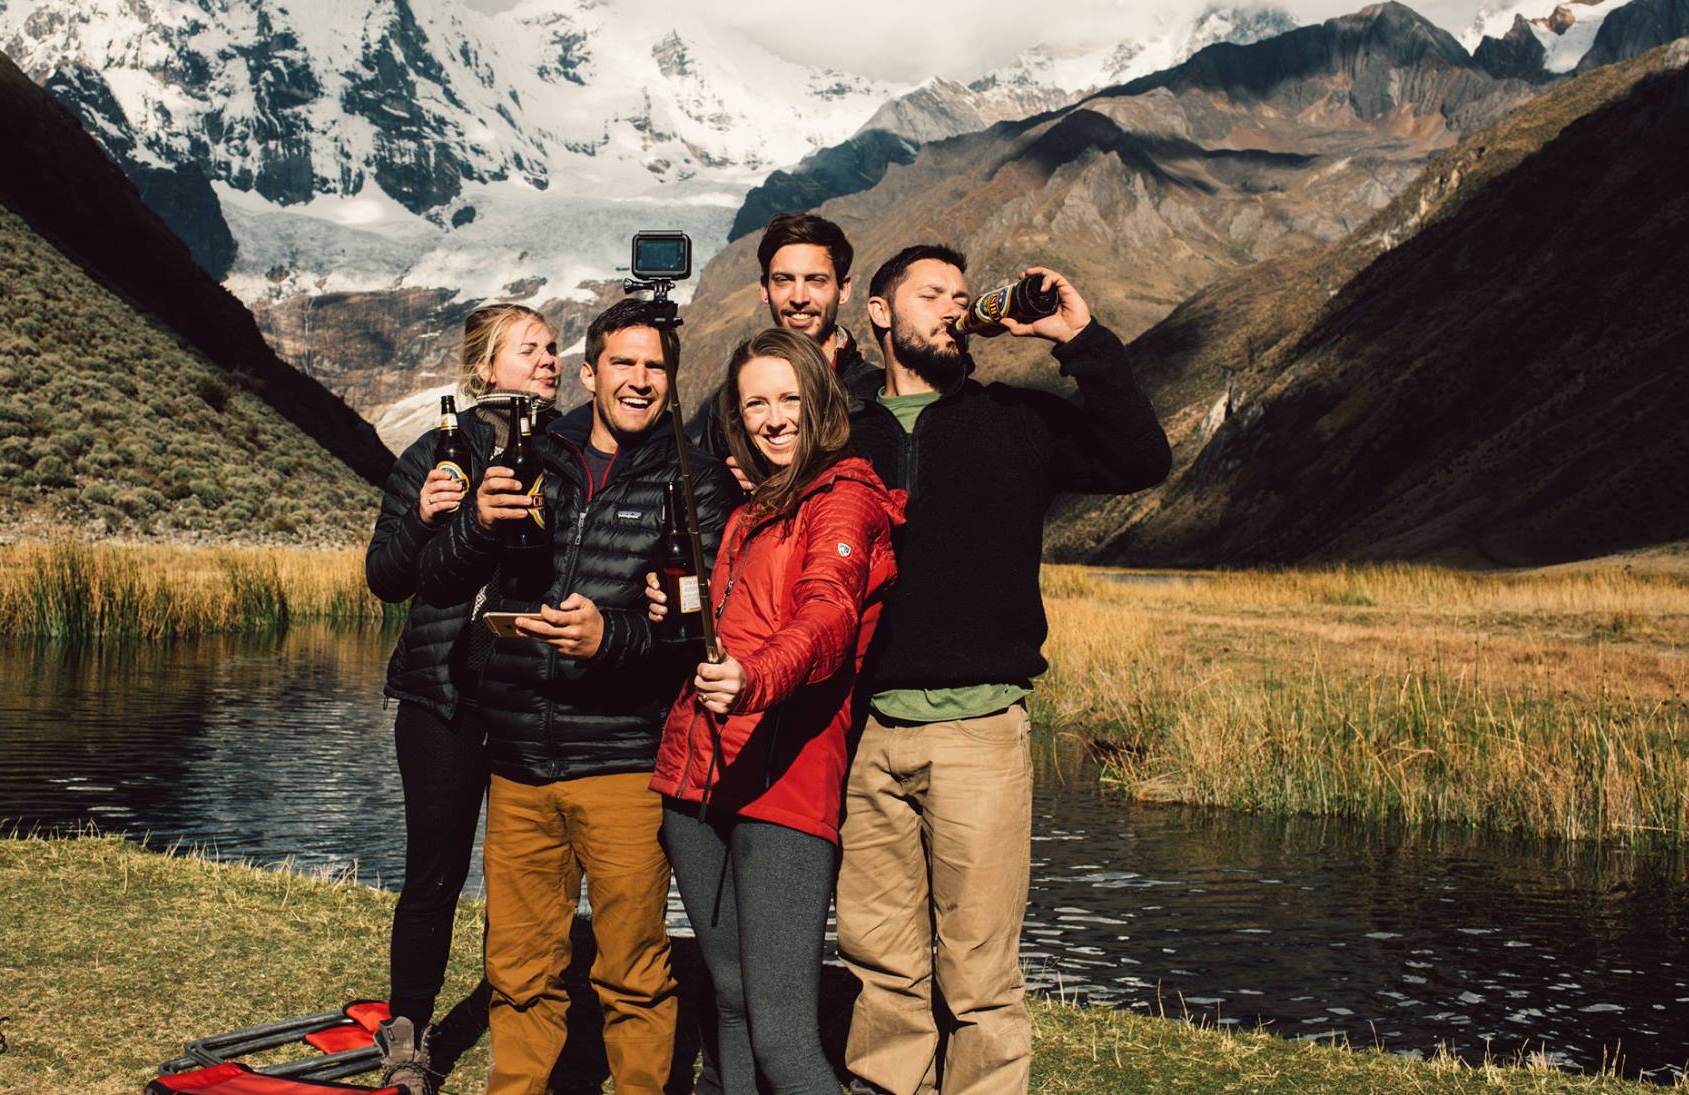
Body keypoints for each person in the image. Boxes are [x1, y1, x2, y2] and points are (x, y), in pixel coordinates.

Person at [836, 246, 1171, 1095]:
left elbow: (1141, 460)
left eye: (960, 294)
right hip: (864, 735)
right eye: (930, 293)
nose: (952, 307)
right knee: (881, 964)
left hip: (981, 732)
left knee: (980, 974)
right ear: (881, 313)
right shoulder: (840, 431)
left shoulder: (1018, 420)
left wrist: (1078, 337)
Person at [420, 298, 736, 1095]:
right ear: (589, 373)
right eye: (622, 363)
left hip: (623, 761)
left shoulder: (692, 477)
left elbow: (698, 627)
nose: (639, 380)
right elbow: (438, 579)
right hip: (519, 759)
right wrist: (474, 525)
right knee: (519, 969)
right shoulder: (535, 452)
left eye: (655, 366)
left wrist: (611, 636)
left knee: (632, 970)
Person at [646, 327, 904, 1095]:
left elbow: (825, 618)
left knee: (785, 1038)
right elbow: (734, 623)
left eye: (789, 397)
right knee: (726, 993)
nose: (774, 416)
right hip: (697, 777)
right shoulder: (748, 510)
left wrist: (753, 677)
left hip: (784, 783)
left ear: (820, 403)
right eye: (756, 401)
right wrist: (676, 609)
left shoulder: (843, 501)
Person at [362, 303, 561, 1095]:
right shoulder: (438, 453)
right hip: (442, 696)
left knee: (530, 877)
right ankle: (408, 1035)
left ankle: (536, 1019)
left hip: (533, 697)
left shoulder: (566, 452)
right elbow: (386, 577)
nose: (550, 359)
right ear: (484, 369)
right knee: (435, 871)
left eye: (552, 348)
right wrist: (423, 516)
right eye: (531, 349)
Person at [689, 211, 885, 466]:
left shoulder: (874, 394)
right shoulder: (730, 400)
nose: (799, 297)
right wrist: (726, 486)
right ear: (764, 289)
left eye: (816, 280)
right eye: (784, 280)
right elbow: (704, 495)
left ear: (843, 289)